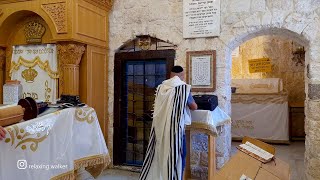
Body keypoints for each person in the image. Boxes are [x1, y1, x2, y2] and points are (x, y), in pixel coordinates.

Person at [139, 65, 197, 180]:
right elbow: (194, 106)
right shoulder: (183, 88)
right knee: (179, 155)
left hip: (160, 127)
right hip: (175, 129)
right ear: (181, 75)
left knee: (160, 153)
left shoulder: (161, 87)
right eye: (183, 75)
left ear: (170, 75)